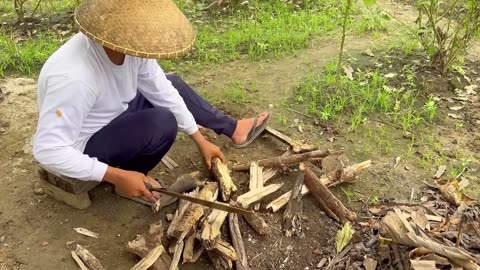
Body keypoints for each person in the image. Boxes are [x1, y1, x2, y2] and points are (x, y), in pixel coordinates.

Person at [32, 0, 269, 204]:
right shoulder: (75, 78)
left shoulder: (128, 46)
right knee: (162, 123)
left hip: (107, 114)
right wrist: (117, 175)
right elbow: (48, 151)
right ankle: (130, 180)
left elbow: (161, 89)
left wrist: (199, 138)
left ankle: (233, 129)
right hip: (84, 144)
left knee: (171, 82)